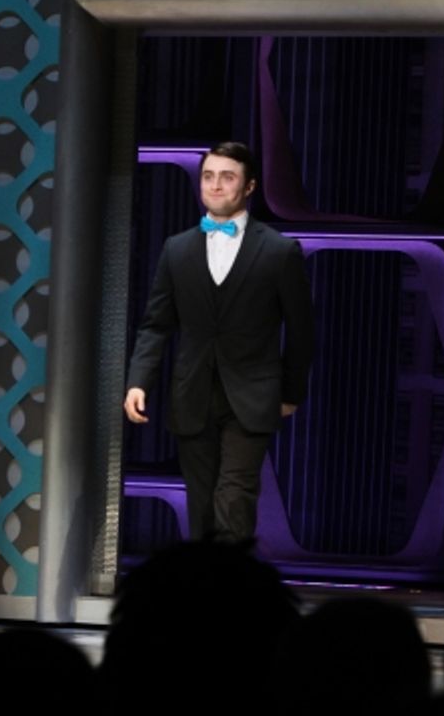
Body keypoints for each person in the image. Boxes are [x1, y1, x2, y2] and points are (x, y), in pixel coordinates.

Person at [123, 141, 313, 542]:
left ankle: (227, 580)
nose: (215, 185)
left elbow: (301, 330)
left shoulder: (279, 251)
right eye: (208, 176)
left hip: (253, 394)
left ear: (249, 186)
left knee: (234, 498)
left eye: (227, 177)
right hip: (192, 392)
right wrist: (139, 381)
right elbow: (156, 324)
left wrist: (291, 392)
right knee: (202, 504)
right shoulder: (177, 248)